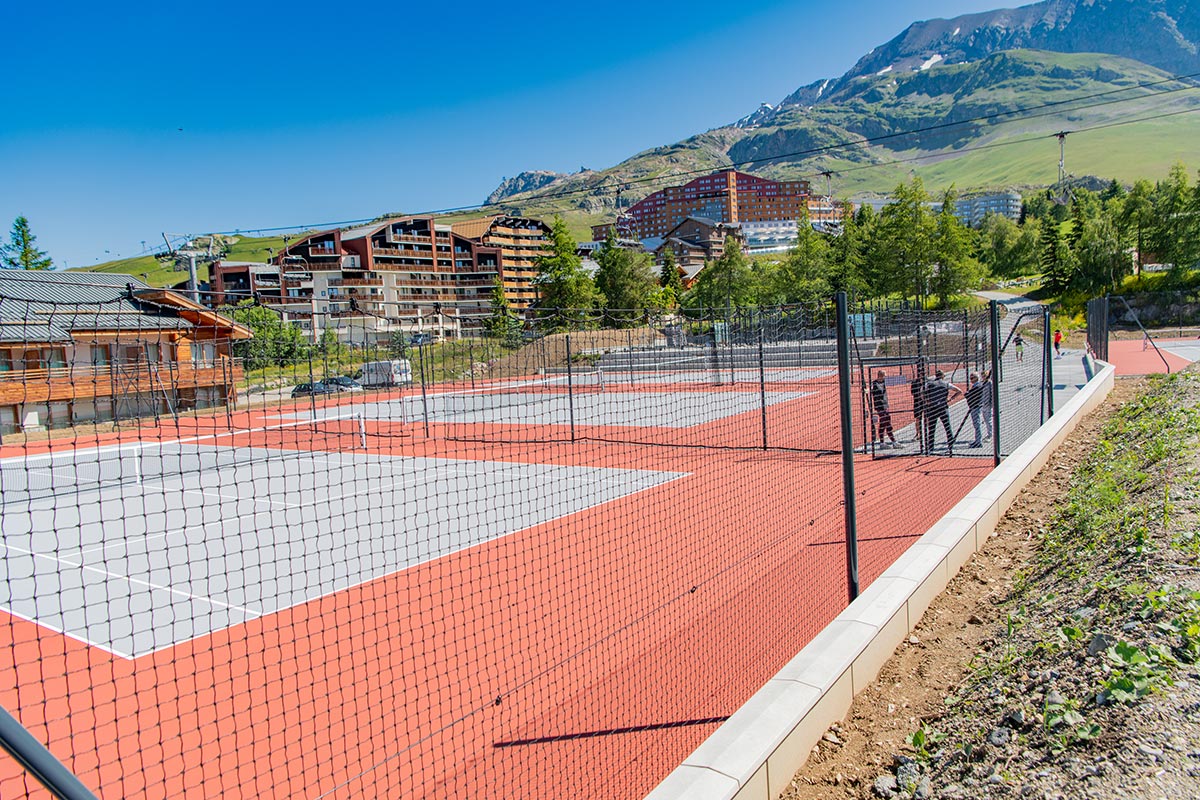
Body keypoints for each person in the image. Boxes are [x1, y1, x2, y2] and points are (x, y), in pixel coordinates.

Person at [924, 369, 963, 452]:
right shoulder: (946, 384)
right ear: (942, 376)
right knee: (947, 427)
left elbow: (922, 392)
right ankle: (951, 445)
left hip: (932, 408)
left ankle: (930, 447)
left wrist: (927, 400)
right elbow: (959, 391)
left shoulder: (929, 384)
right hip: (943, 407)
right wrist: (951, 398)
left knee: (931, 428)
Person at [870, 370, 898, 449]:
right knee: (887, 423)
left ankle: (882, 443)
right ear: (880, 376)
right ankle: (894, 441)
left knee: (883, 424)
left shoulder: (884, 382)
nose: (885, 377)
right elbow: (872, 391)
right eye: (884, 376)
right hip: (880, 406)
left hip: (885, 406)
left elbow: (897, 380)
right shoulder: (875, 384)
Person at [964, 372, 991, 448]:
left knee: (977, 424)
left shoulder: (978, 386)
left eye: (972, 378)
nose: (971, 380)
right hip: (975, 406)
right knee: (976, 424)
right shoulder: (977, 386)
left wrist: (967, 394)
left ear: (976, 378)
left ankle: (978, 442)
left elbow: (969, 395)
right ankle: (977, 440)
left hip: (976, 406)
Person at [910, 373, 926, 451]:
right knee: (917, 419)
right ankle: (918, 434)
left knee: (927, 418)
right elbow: (912, 392)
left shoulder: (927, 381)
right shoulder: (914, 382)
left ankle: (926, 433)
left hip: (926, 402)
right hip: (917, 402)